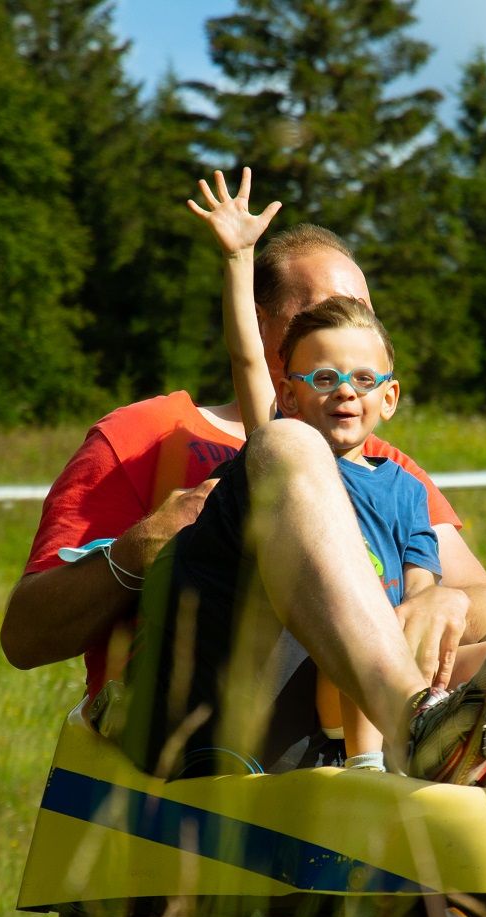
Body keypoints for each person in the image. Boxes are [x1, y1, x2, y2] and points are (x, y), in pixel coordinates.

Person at [0, 176, 486, 772]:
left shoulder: (392, 471)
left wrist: (446, 598)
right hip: (213, 712)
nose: (344, 332)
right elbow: (26, 636)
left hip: (357, 724)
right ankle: (415, 722)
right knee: (288, 450)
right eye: (320, 314)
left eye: (362, 318)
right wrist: (133, 552)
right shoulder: (148, 437)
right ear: (267, 331)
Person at [187, 168, 449, 772]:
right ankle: (370, 769)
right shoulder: (281, 449)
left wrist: (431, 612)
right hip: (320, 667)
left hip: (392, 651)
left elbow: (422, 581)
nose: (344, 394)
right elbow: (246, 356)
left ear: (390, 397)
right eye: (323, 380)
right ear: (291, 394)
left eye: (363, 381)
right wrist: (238, 258)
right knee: (353, 668)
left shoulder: (405, 486)